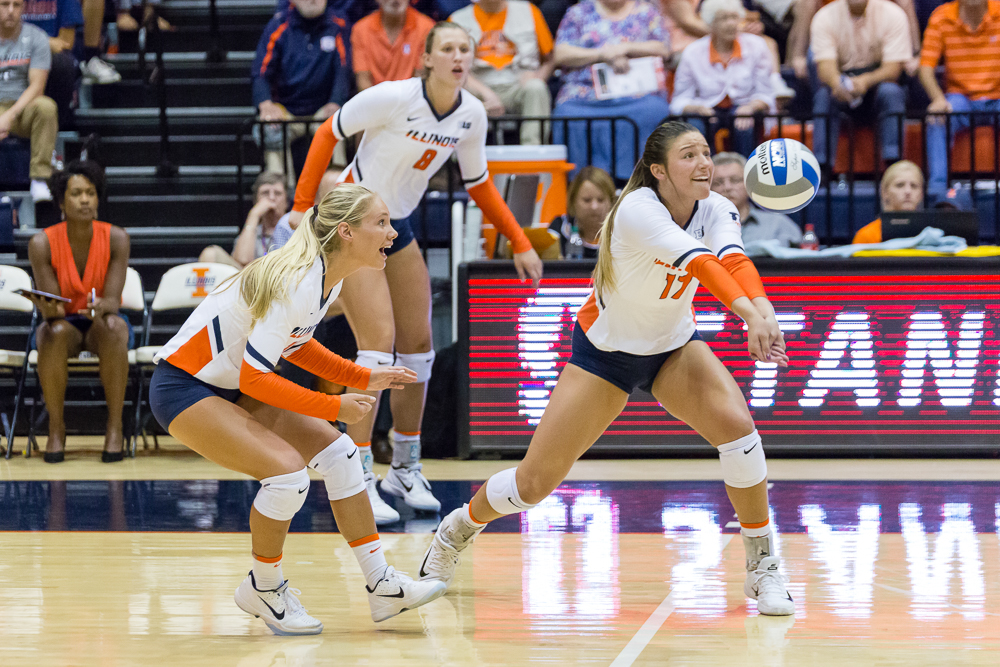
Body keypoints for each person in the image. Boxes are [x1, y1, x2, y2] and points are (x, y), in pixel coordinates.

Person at [417, 121, 796, 618]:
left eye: (706, 152)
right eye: (688, 156)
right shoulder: (636, 209)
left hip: (672, 346)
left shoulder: (719, 207)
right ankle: (457, 528)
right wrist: (750, 317)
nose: (704, 164)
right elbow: (704, 265)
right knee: (533, 485)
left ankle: (763, 565)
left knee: (740, 431)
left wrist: (763, 311)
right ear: (658, 170)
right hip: (606, 354)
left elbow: (733, 259)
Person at [148, 185, 448, 636]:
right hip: (184, 386)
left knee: (342, 455)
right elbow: (256, 378)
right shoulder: (298, 279)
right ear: (346, 232)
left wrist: (363, 376)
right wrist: (333, 404)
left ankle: (381, 585)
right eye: (381, 223)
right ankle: (263, 588)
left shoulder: (327, 277)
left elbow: (299, 343)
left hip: (227, 385)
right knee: (288, 476)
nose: (392, 233)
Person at [283, 22, 544, 524]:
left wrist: (519, 239)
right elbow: (326, 132)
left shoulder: (470, 114)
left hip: (394, 223)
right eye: (447, 48)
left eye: (465, 49)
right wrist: (300, 205)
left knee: (419, 345)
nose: (458, 56)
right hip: (350, 221)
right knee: (377, 341)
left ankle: (404, 465)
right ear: (426, 58)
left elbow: (481, 183)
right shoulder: (391, 97)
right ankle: (356, 475)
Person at [25, 161, 131, 463]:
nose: (85, 200)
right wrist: (47, 310)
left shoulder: (117, 238)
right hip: (66, 324)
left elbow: (113, 300)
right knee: (51, 332)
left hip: (103, 321)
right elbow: (53, 306)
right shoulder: (42, 242)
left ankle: (115, 427)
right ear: (61, 201)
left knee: (114, 328)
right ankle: (56, 428)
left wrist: (102, 307)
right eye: (76, 193)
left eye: (90, 193)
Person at [551, 0, 672, 179]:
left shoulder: (647, 11)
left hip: (635, 93)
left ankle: (641, 181)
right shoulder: (578, 12)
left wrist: (626, 48)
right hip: (585, 94)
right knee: (566, 112)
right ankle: (582, 182)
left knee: (655, 109)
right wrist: (601, 54)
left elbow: (663, 48)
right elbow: (561, 53)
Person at [251, 0, 352, 181]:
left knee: (336, 124)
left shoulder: (338, 25)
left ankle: (338, 196)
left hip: (322, 109)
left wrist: (336, 101)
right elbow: (261, 73)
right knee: (269, 129)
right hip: (286, 111)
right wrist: (265, 104)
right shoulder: (278, 26)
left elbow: (343, 71)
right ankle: (282, 196)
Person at [809, 0, 910, 173]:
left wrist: (865, 81)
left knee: (891, 92)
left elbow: (893, 69)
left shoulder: (893, 14)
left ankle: (894, 165)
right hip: (841, 85)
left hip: (878, 85)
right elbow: (825, 68)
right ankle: (821, 169)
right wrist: (837, 83)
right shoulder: (824, 17)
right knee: (824, 97)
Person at [670, 0, 777, 157]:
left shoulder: (757, 46)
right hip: (706, 109)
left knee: (744, 124)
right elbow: (679, 100)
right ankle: (705, 176)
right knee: (696, 128)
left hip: (744, 106)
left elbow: (766, 93)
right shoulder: (692, 52)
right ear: (710, 23)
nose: (731, 24)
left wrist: (750, 107)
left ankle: (745, 176)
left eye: (734, 17)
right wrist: (698, 109)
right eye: (723, 19)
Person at [919, 0, 1000, 196]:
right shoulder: (942, 16)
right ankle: (938, 192)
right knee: (938, 118)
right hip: (960, 99)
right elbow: (925, 69)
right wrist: (938, 99)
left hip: (997, 96)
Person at [449, 0, 556, 145]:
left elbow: (550, 59)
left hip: (516, 85)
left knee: (536, 87)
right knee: (454, 90)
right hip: (477, 87)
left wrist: (537, 77)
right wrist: (485, 92)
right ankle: (459, 157)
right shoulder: (457, 20)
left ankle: (532, 154)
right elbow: (453, 68)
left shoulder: (529, 11)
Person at [0, 0, 58, 202]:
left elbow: (37, 86)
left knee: (46, 107)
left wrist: (10, 114)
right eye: (4, 4)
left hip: (21, 107)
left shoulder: (36, 37)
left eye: (16, 5)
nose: (10, 11)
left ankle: (40, 179)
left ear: (24, 8)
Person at [711, 151, 802, 250]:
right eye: (718, 183)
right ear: (708, 189)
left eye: (735, 180)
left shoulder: (778, 225)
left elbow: (803, 261)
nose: (727, 187)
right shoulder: (697, 226)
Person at [200, 172, 288, 269]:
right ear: (256, 200)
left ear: (287, 201)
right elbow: (242, 261)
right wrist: (254, 215)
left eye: (277, 193)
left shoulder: (294, 229)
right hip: (251, 280)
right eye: (265, 193)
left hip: (284, 280)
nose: (271, 198)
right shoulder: (251, 231)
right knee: (210, 254)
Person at [21, 0, 82, 126]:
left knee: (62, 63)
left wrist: (25, 42)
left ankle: (55, 128)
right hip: (12, 54)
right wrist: (46, 41)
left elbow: (65, 43)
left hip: (50, 60)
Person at [352, 0, 435, 91]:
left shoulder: (426, 27)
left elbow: (421, 79)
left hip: (410, 100)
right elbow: (363, 81)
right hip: (374, 101)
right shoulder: (361, 29)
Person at [548, 166, 615, 258]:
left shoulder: (623, 235)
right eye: (587, 200)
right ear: (573, 201)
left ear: (611, 203)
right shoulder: (560, 228)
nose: (594, 207)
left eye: (600, 200)